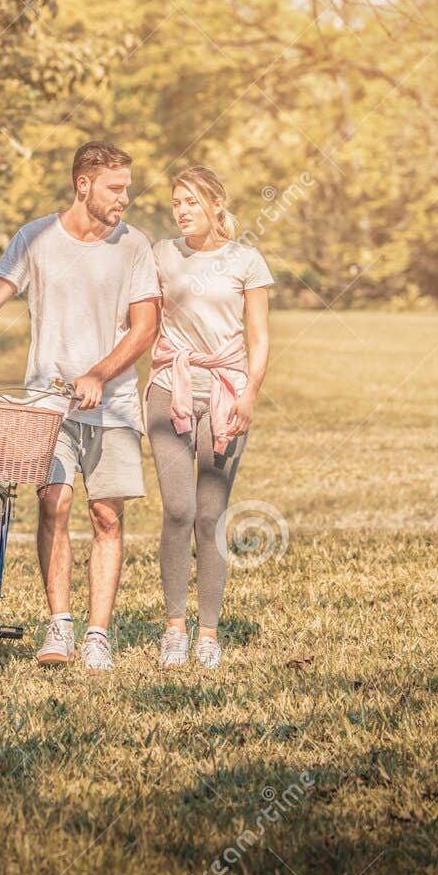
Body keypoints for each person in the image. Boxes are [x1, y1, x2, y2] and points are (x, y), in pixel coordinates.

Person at [0, 141, 159, 671]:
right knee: (54, 504)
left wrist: (99, 373)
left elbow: (146, 328)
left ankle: (99, 633)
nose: (126, 197)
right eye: (116, 188)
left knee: (106, 517)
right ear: (83, 185)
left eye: (127, 187)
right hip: (48, 402)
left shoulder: (135, 246)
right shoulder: (36, 239)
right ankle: (61, 626)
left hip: (112, 404)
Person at [145, 166, 273, 670]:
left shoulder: (246, 260)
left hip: (227, 392)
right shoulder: (161, 255)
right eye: (177, 202)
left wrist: (250, 394)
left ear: (216, 204)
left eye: (192, 201)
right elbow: (141, 316)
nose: (182, 210)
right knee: (177, 509)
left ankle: (208, 633)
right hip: (169, 388)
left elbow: (259, 335)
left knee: (209, 515)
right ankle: (174, 628)